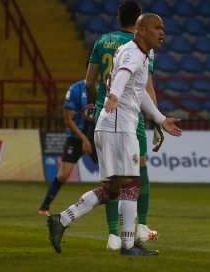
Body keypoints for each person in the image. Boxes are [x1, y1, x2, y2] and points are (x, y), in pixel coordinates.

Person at [47, 13, 182, 256]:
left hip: (111, 125)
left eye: (163, 28)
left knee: (112, 189)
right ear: (140, 30)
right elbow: (123, 77)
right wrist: (116, 95)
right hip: (119, 126)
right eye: (157, 28)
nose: (162, 32)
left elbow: (138, 92)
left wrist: (160, 119)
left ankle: (62, 219)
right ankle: (128, 246)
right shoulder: (132, 53)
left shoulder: (137, 52)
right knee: (132, 184)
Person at [86, 0, 163, 251]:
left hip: (102, 111)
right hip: (129, 116)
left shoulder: (102, 40)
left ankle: (113, 235)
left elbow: (90, 81)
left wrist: (96, 104)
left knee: (110, 177)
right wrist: (157, 119)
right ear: (140, 21)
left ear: (119, 18)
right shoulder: (142, 46)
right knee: (137, 170)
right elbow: (146, 86)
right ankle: (140, 227)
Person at [38, 73, 96, 215]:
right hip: (76, 139)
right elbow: (68, 120)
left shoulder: (106, 90)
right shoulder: (76, 90)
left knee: (112, 172)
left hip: (96, 138)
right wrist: (84, 139)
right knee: (64, 174)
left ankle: (123, 205)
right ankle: (44, 207)